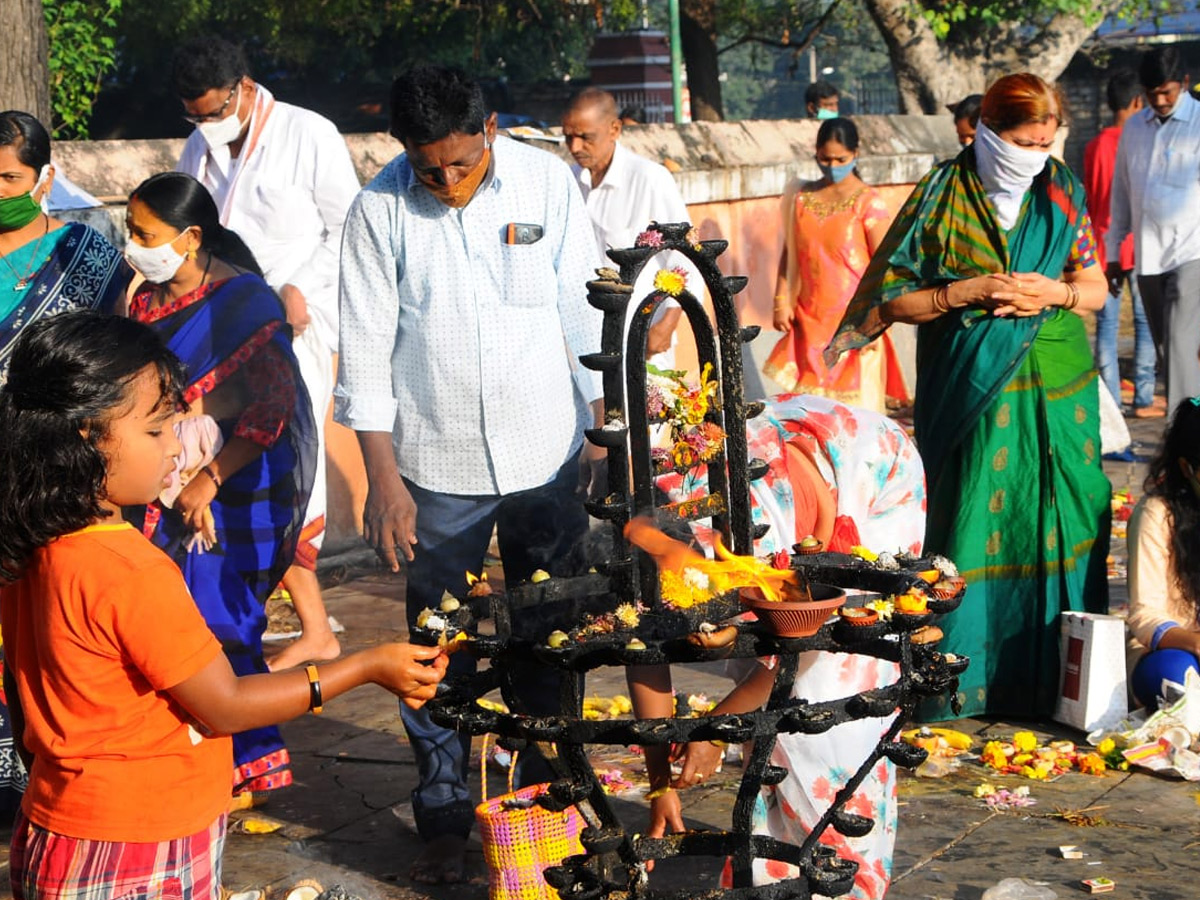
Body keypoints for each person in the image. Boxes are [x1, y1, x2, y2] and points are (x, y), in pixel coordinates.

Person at [0, 310, 445, 900]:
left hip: (60, 826)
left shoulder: (30, 543)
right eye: (156, 432)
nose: (174, 450)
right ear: (88, 434)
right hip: (136, 847)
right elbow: (226, 705)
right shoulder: (129, 570)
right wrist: (364, 668)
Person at [334, 66, 603, 884]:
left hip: (546, 448)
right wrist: (383, 481)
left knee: (549, 629)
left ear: (489, 132)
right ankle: (446, 807)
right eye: (429, 169)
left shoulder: (545, 181)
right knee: (435, 641)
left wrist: (603, 431)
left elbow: (582, 307)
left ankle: (547, 794)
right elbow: (366, 347)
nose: (447, 183)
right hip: (434, 464)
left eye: (462, 164)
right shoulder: (379, 210)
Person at [826, 73, 1111, 720]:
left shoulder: (1061, 191)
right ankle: (962, 682)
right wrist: (968, 291)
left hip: (1059, 379)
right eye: (1021, 142)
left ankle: (1055, 680)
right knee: (977, 515)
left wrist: (1053, 294)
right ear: (988, 129)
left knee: (1066, 513)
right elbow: (893, 298)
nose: (1034, 155)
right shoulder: (942, 194)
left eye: (1045, 142)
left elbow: (1092, 284)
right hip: (974, 383)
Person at [645, 394, 926, 900]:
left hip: (873, 475)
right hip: (770, 513)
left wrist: (714, 730)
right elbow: (646, 654)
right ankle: (771, 875)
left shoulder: (762, 525)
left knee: (831, 708)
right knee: (766, 735)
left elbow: (802, 644)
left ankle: (842, 877)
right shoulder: (652, 541)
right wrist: (659, 782)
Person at [124, 171, 319, 802]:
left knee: (224, 620)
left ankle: (251, 762)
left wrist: (208, 478)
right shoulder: (145, 300)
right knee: (174, 623)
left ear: (190, 238)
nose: (133, 244)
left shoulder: (247, 304)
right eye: (131, 230)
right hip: (165, 481)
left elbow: (271, 404)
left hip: (241, 482)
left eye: (143, 234)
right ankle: (193, 751)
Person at [173, 35, 360, 670]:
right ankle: (283, 623)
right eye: (193, 116)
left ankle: (305, 629)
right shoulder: (198, 145)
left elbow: (348, 229)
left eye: (213, 111)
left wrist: (299, 286)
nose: (204, 126)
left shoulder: (310, 135)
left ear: (244, 88)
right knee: (223, 469)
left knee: (286, 469)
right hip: (222, 330)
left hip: (292, 324)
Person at [0, 109, 130, 822]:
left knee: (59, 622)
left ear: (45, 178)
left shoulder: (85, 253)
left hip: (57, 467)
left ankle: (63, 770)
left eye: (10, 178)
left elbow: (113, 352)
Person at [763, 117, 907, 412]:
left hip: (855, 318)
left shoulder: (868, 203)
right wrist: (781, 301)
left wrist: (875, 319)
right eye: (824, 159)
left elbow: (884, 265)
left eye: (840, 159)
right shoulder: (801, 198)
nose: (832, 166)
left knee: (857, 413)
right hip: (810, 317)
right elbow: (790, 253)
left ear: (856, 153)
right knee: (811, 412)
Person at [562, 87, 696, 368]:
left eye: (585, 137)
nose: (574, 147)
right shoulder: (568, 182)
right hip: (584, 340)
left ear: (614, 129)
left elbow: (686, 259)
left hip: (643, 336)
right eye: (568, 137)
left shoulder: (649, 179)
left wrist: (667, 324)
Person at [1109, 46, 1200, 415]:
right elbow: (1122, 192)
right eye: (1152, 94)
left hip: (1193, 253)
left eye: (1167, 92)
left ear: (1185, 84)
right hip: (1149, 256)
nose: (1160, 101)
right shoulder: (1134, 127)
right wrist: (1113, 253)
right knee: (1170, 350)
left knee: (1179, 344)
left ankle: (1183, 438)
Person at [1085, 68, 1159, 419]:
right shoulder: (1138, 139)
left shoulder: (1094, 146)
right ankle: (1143, 396)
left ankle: (1112, 401)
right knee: (1145, 323)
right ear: (1137, 101)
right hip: (1140, 242)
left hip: (1102, 245)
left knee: (1107, 327)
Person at [1126, 399, 1200, 709]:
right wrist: (1195, 642)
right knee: (1170, 675)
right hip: (1179, 651)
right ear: (1187, 468)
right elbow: (1145, 615)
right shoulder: (1156, 514)